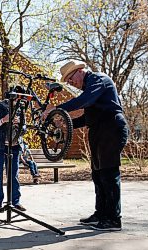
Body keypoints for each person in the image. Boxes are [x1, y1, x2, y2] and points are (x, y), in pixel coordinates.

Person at [44, 60, 129, 231]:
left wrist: (57, 109)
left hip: (111, 128)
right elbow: (87, 119)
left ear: (80, 70)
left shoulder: (98, 79)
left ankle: (113, 219)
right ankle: (101, 214)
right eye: (67, 81)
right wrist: (65, 124)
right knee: (98, 174)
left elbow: (84, 100)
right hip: (98, 130)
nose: (70, 82)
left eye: (70, 78)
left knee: (109, 173)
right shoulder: (90, 90)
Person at [0, 87, 27, 212]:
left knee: (13, 175)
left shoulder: (21, 108)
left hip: (14, 146)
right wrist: (4, 120)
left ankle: (16, 201)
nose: (21, 101)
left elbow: (24, 129)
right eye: (19, 98)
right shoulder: (0, 106)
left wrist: (19, 124)